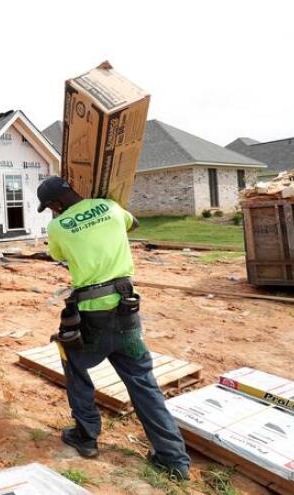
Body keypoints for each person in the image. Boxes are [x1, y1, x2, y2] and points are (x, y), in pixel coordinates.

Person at [36, 176, 191, 480]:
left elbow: (59, 255)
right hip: (127, 312)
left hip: (93, 319)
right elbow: (133, 224)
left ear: (54, 205)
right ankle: (174, 459)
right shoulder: (109, 206)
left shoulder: (57, 227)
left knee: (74, 363)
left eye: (51, 207)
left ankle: (86, 435)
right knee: (143, 381)